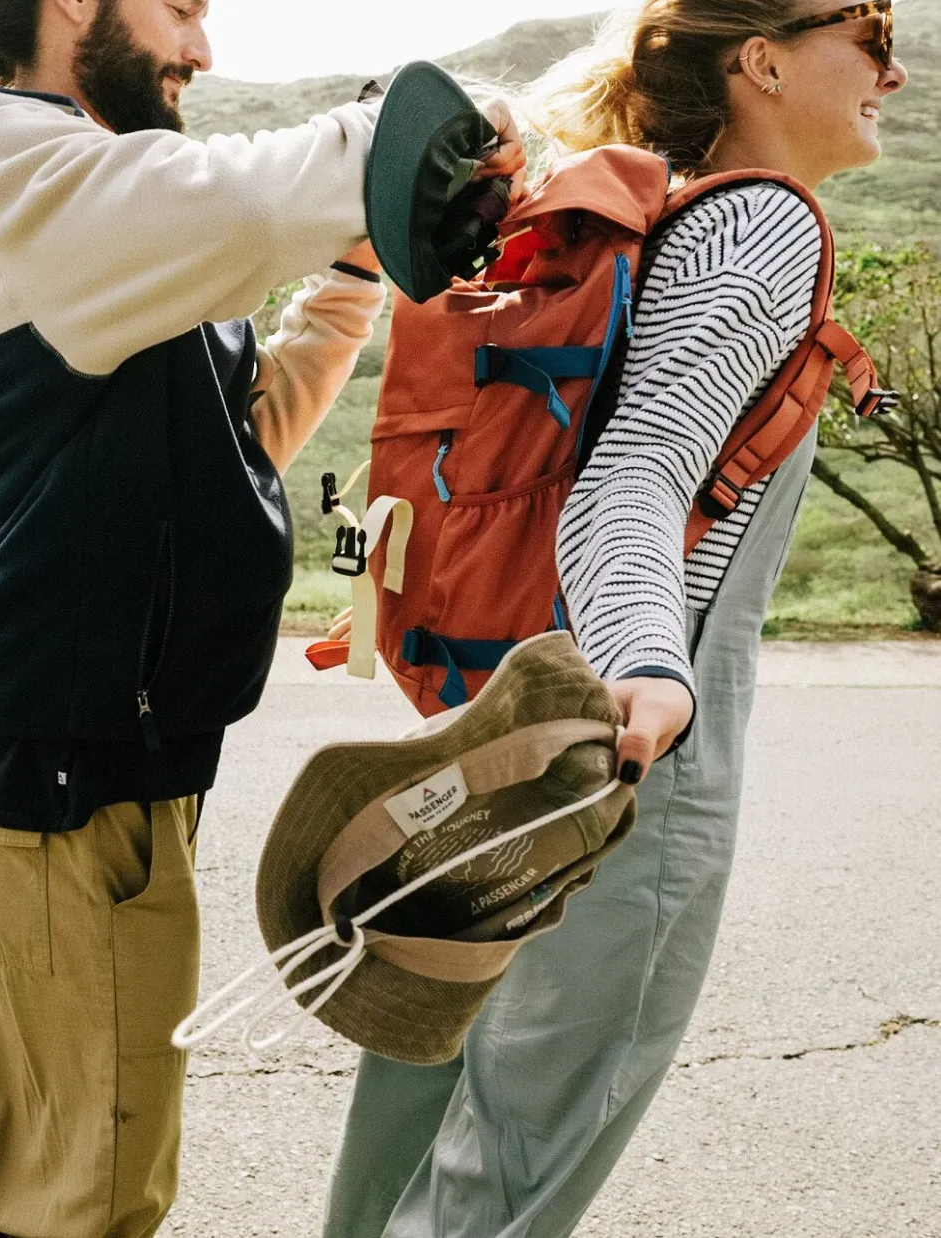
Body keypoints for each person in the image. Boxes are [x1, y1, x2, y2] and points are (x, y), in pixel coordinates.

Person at [323, 3, 907, 1236]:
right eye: (870, 33)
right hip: (632, 743)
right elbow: (636, 470)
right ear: (762, 60)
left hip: (510, 711)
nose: (892, 72)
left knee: (421, 1090)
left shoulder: (656, 228)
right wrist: (648, 661)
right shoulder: (755, 224)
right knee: (524, 1148)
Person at [0, 1, 524, 1236]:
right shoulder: (1, 160)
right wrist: (436, 129)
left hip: (117, 758)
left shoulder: (110, 211)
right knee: (92, 1188)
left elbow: (245, 430)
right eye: (183, 8)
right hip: (72, 767)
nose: (203, 53)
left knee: (55, 1156)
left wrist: (354, 279)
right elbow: (274, 194)